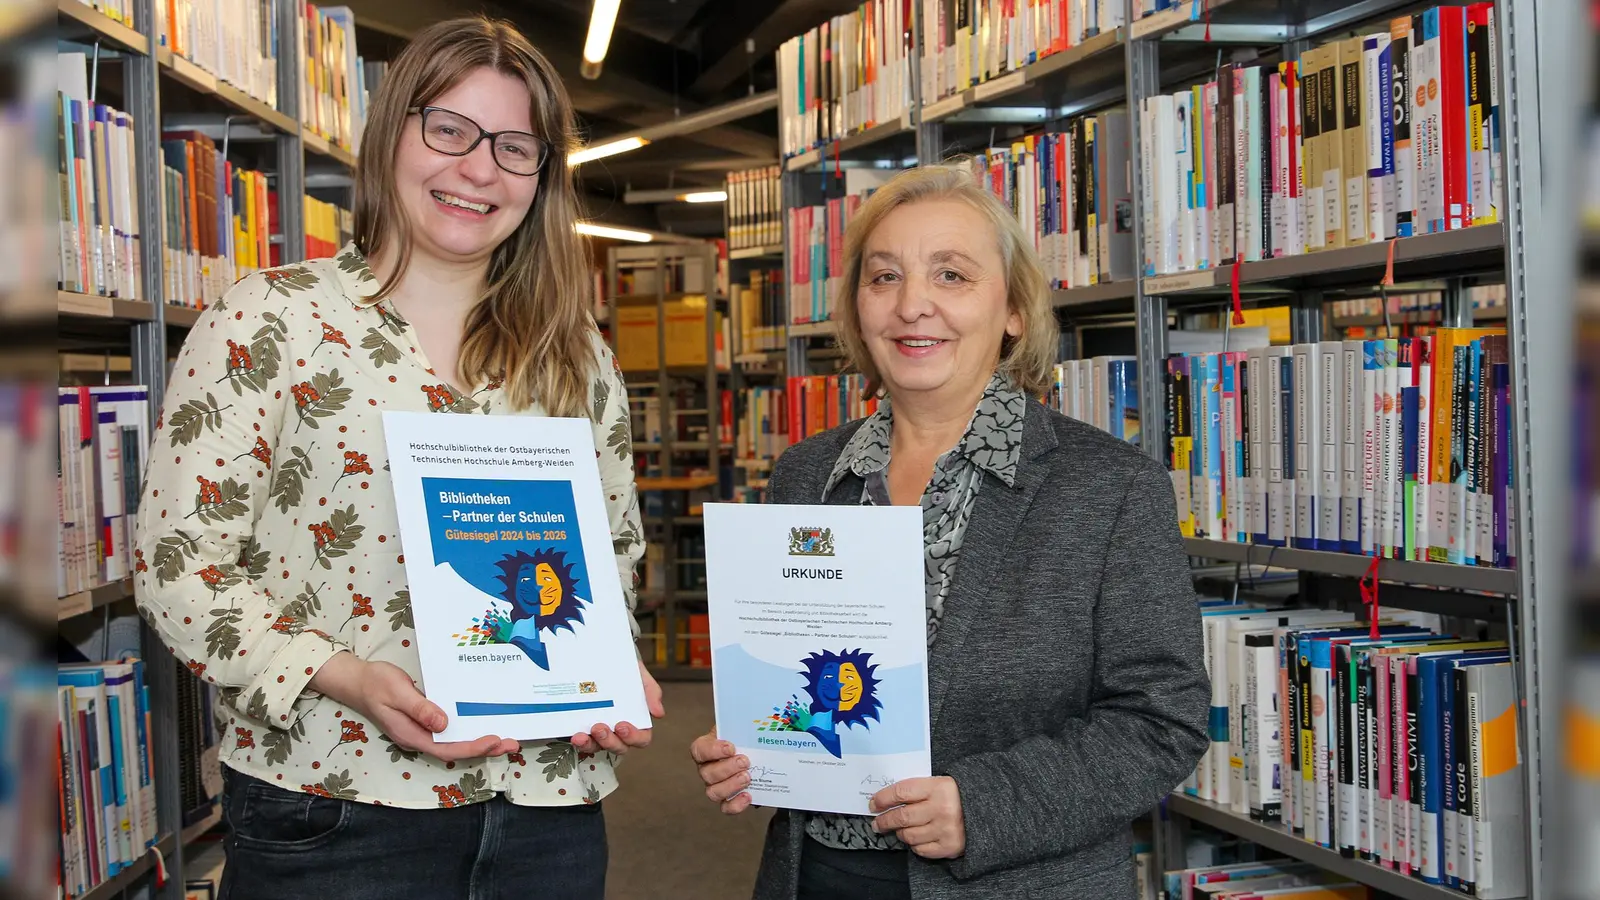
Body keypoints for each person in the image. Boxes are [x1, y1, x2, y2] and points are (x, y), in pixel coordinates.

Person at [133, 16, 661, 899]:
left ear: (542, 177)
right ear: (393, 136)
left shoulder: (575, 351)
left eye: (514, 146)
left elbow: (610, 556)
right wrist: (347, 678)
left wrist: (611, 665)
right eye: (449, 130)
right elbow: (176, 568)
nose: (478, 168)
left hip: (547, 811)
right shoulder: (272, 320)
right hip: (337, 806)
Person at [690, 163, 1210, 899]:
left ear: (1014, 312)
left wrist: (985, 804)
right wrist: (753, 746)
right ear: (856, 307)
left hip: (1017, 880)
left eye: (952, 276)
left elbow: (1164, 721)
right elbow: (800, 675)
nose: (913, 306)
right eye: (885, 278)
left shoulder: (1110, 486)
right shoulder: (806, 475)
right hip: (819, 876)